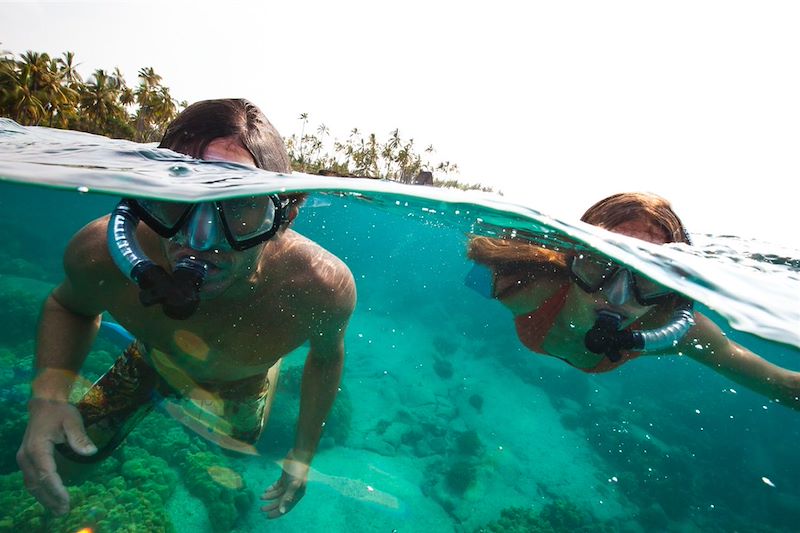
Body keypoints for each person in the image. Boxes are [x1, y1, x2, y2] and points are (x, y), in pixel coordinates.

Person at [16, 99, 356, 519]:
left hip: (240, 382)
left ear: (284, 213)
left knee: (239, 440)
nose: (200, 238)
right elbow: (68, 305)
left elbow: (326, 358)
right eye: (179, 198)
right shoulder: (100, 252)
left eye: (237, 204)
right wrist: (46, 400)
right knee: (66, 461)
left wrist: (302, 455)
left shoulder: (320, 288)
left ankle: (266, 367)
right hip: (152, 359)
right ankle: (145, 352)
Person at [468, 192, 800, 406]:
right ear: (573, 258)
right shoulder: (526, 286)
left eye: (647, 277)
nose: (617, 296)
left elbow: (783, 385)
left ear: (672, 284)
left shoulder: (670, 325)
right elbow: (480, 256)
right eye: (601, 264)